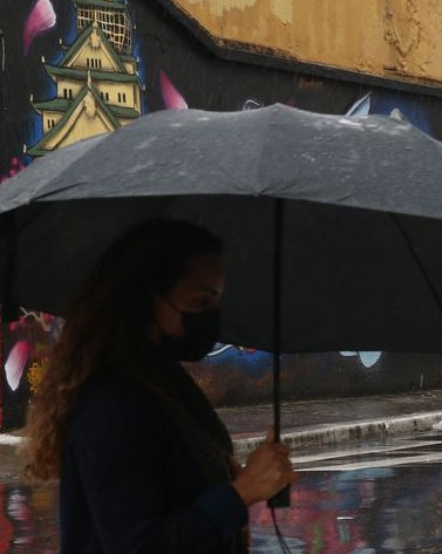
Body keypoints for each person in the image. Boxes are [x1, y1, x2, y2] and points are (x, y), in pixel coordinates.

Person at [23, 219, 295, 553]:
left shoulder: (160, 378)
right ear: (147, 298)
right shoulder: (114, 402)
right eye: (201, 302)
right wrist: (242, 492)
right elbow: (140, 546)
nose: (212, 317)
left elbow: (172, 484)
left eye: (216, 303)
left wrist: (229, 477)